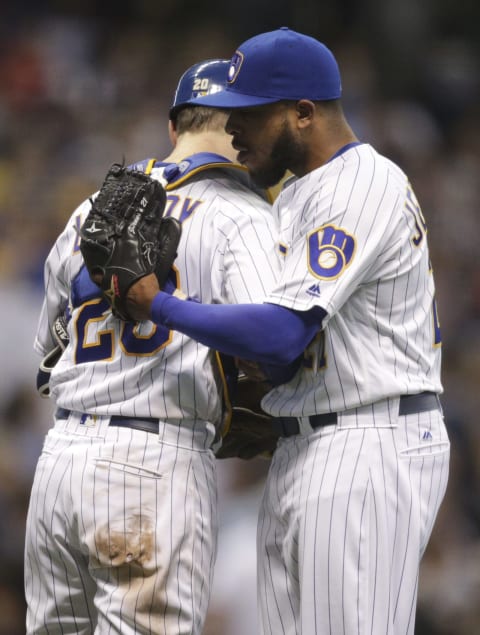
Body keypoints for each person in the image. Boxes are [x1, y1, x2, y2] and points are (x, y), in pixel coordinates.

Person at [124, 28, 451, 635]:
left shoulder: (361, 182)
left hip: (367, 440)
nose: (233, 130)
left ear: (303, 113)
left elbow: (281, 335)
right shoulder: (299, 194)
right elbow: (280, 356)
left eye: (249, 114)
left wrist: (160, 306)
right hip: (309, 441)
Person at [24, 58, 282, 635]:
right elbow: (274, 350)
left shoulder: (89, 211)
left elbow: (48, 356)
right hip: (153, 466)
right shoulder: (242, 217)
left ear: (174, 128)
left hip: (61, 458)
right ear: (245, 127)